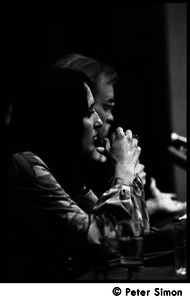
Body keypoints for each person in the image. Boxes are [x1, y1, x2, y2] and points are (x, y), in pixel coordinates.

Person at [4, 67, 149, 282]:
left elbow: (135, 236)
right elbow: (103, 240)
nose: (98, 122)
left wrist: (128, 177)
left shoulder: (63, 172)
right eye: (89, 111)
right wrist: (124, 174)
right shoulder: (24, 164)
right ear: (62, 117)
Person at [55, 53, 186, 221]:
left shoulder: (88, 167)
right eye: (91, 110)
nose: (105, 120)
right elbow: (105, 234)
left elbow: (121, 228)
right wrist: (126, 176)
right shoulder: (49, 169)